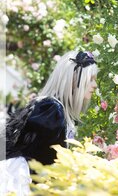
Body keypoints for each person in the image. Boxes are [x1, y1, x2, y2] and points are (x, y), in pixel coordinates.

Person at [0, 50, 98, 195]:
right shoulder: (52, 110)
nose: (95, 85)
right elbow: (41, 163)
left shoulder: (54, 109)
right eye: (90, 79)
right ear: (73, 80)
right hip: (20, 184)